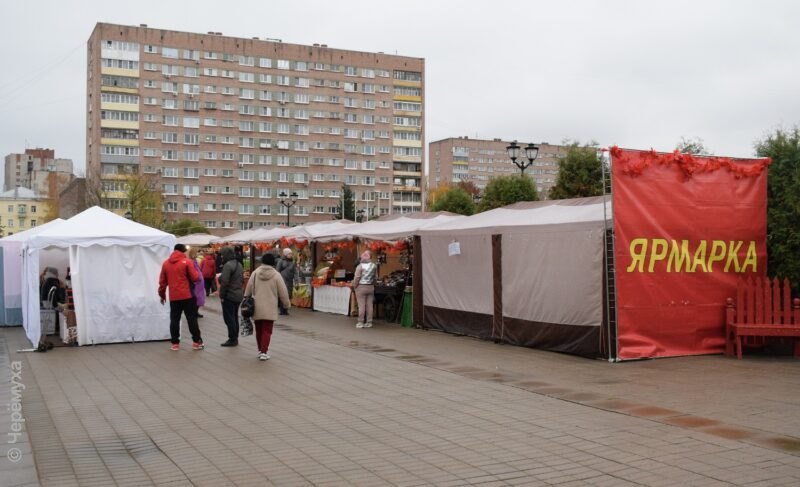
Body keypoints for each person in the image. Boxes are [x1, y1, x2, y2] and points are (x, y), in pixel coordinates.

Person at [244, 253, 291, 361]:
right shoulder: (276, 275)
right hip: (270, 306)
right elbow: (283, 291)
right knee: (267, 330)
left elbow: (248, 288)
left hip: (256, 306)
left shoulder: (255, 273)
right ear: (273, 263)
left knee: (259, 329)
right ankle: (264, 352)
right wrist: (286, 304)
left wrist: (245, 298)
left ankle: (260, 350)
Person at [158, 243, 203, 351]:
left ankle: (175, 343)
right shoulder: (187, 262)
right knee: (191, 319)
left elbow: (162, 282)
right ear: (183, 251)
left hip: (174, 297)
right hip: (188, 295)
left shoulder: (166, 263)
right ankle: (196, 342)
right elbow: (196, 278)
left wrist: (162, 295)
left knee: (174, 319)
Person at [218, 246, 243, 346]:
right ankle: (235, 337)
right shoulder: (239, 264)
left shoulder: (228, 265)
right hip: (238, 294)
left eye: (222, 254)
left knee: (229, 318)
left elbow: (225, 282)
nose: (222, 257)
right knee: (234, 316)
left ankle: (232, 338)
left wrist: (222, 295)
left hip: (230, 295)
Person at [353, 250, 377, 328]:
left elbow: (357, 278)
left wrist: (355, 286)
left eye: (365, 254)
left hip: (361, 287)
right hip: (370, 287)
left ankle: (360, 322)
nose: (363, 255)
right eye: (363, 254)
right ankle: (369, 322)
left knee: (361, 305)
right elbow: (375, 277)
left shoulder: (360, 266)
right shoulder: (374, 266)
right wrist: (373, 285)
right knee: (370, 305)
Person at [275, 248, 296, 315]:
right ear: (285, 254)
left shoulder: (292, 262)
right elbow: (277, 270)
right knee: (283, 294)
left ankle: (286, 309)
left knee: (289, 294)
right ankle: (282, 310)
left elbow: (295, 272)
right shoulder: (281, 261)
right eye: (289, 254)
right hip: (282, 280)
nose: (291, 255)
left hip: (290, 280)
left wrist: (296, 280)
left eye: (291, 254)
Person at [187, 247, 206, 318]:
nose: (198, 253)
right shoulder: (190, 261)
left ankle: (196, 312)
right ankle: (194, 312)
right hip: (196, 283)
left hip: (199, 283)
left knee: (199, 298)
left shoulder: (195, 261)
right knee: (196, 298)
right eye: (197, 252)